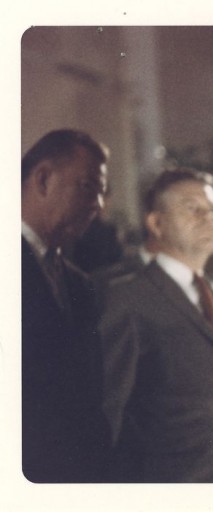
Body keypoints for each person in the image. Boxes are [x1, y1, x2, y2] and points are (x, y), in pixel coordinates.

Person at [98, 168, 213, 482]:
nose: (208, 217)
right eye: (193, 208)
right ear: (156, 223)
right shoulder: (128, 299)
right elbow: (108, 418)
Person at [21, 128, 111, 482]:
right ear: (43, 178)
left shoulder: (79, 283)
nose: (99, 205)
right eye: (89, 187)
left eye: (103, 193)